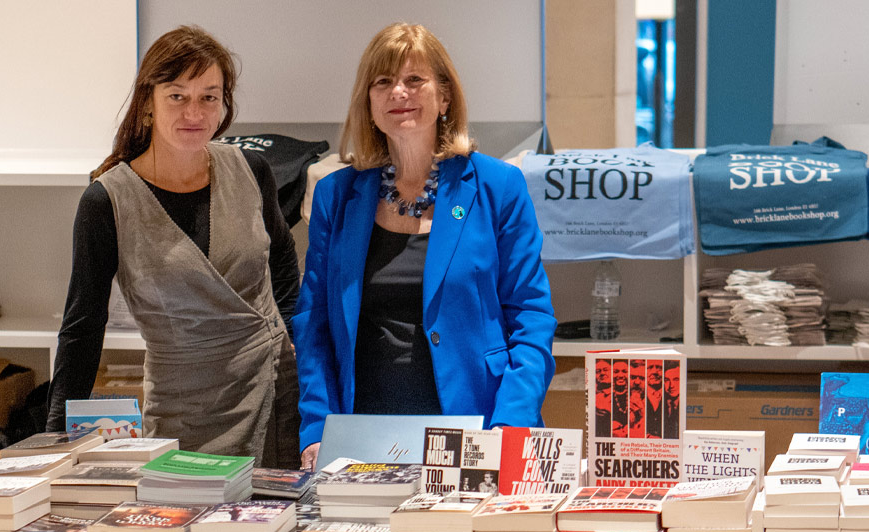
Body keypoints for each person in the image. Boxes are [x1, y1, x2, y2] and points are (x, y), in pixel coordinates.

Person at [293, 22, 556, 470]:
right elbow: (313, 325)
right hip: (364, 436)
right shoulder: (337, 196)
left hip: (479, 428)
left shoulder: (498, 187)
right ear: (369, 102)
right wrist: (317, 429)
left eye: (414, 80)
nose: (399, 92)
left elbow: (531, 319)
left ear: (445, 96)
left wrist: (509, 426)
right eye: (383, 82)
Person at [45, 26, 300, 467]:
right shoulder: (107, 201)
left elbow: (282, 264)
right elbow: (83, 325)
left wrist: (301, 355)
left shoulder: (253, 170)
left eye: (209, 96)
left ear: (225, 104)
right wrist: (52, 442)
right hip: (182, 409)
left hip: (273, 392)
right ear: (148, 102)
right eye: (177, 95)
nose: (194, 112)